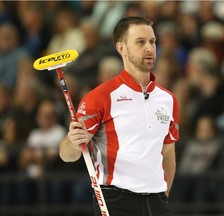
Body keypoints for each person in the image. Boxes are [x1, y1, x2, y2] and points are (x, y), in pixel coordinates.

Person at [59, 16, 180, 216]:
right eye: (140, 42)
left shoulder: (168, 99)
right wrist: (72, 142)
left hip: (157, 202)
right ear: (121, 48)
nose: (149, 48)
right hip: (116, 202)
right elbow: (67, 155)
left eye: (152, 41)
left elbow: (168, 152)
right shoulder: (100, 97)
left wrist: (164, 195)